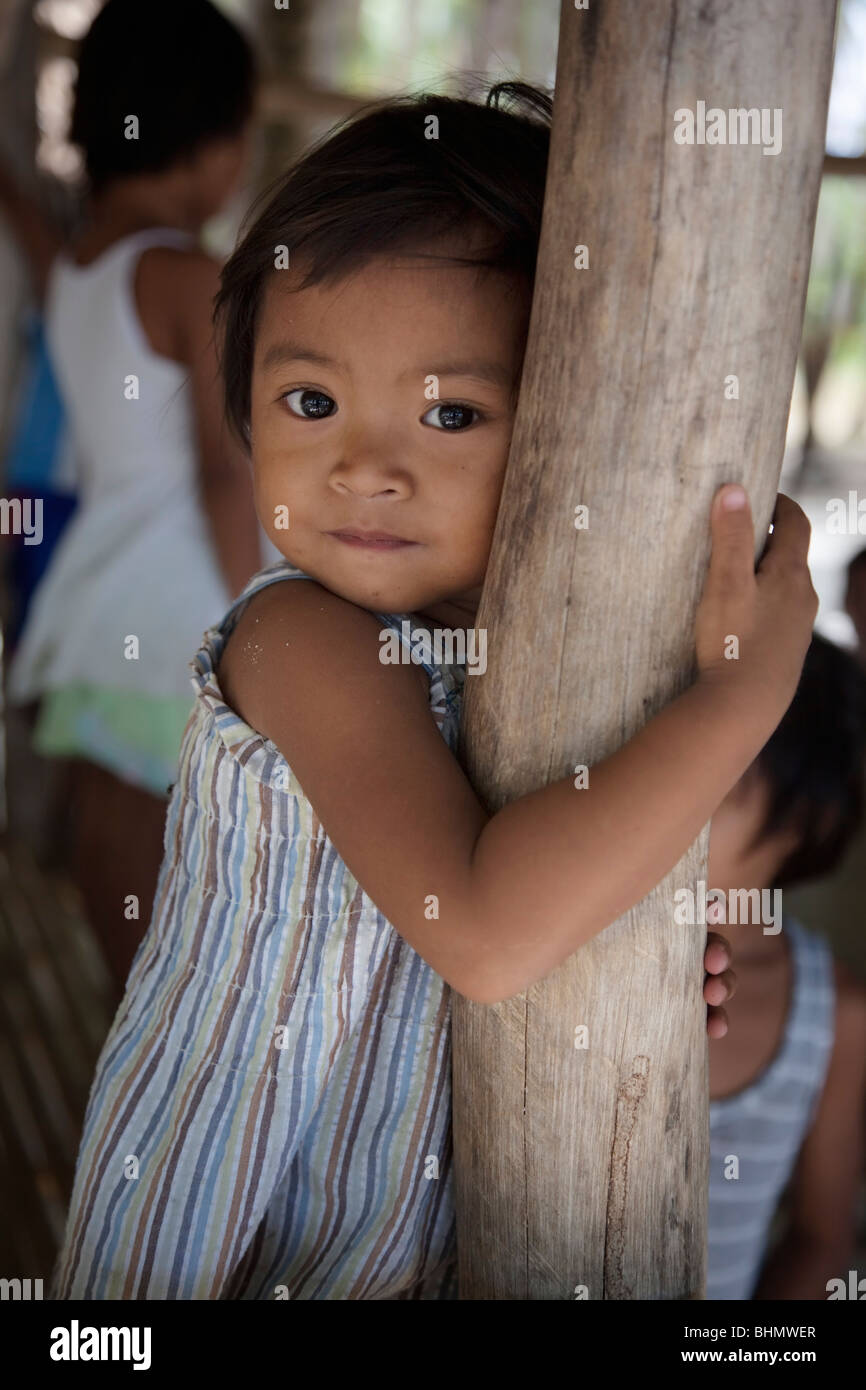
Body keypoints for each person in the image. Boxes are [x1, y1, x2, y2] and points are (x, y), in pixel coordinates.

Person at [51, 81, 816, 1301]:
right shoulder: (303, 641)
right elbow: (487, 929)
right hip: (224, 1249)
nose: (362, 465)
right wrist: (740, 697)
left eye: (450, 412)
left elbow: (523, 917)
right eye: (311, 402)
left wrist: (631, 965)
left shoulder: (509, 663)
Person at [4, 0, 263, 992]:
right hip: (179, 602)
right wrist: (255, 607)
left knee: (118, 845)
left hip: (98, 589)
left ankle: (129, 1052)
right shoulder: (184, 274)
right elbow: (220, 465)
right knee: (179, 879)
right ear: (209, 138)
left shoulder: (82, 255)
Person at [706, 632, 866, 1299]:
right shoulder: (556, 939)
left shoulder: (834, 1012)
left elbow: (821, 1237)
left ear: (808, 812)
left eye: (716, 776)